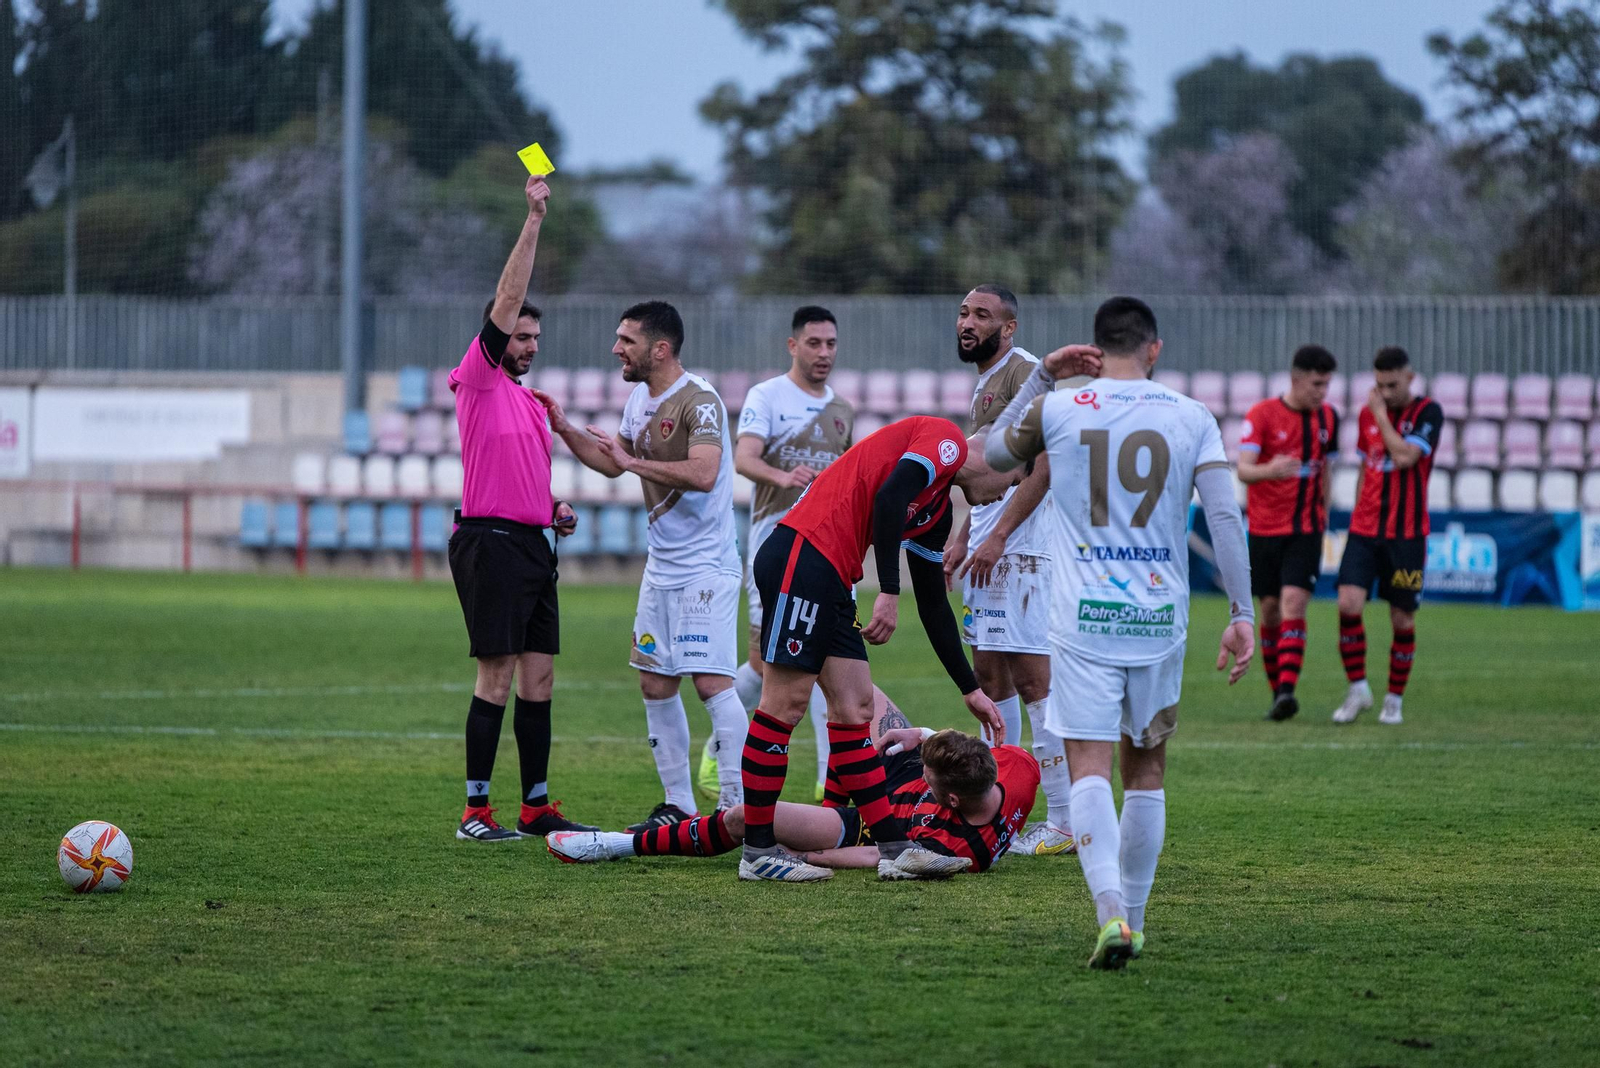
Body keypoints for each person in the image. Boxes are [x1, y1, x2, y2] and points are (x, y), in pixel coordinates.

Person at [985, 296, 1255, 969]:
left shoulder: (1061, 408)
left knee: (1088, 769)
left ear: (1095, 351)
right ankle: (1134, 916)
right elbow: (1224, 520)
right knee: (1148, 772)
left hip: (1082, 621)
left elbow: (993, 452)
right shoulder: (1192, 417)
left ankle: (1108, 912)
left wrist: (1045, 373)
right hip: (1158, 621)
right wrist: (1243, 614)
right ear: (1155, 348)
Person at [735, 399, 1086, 883]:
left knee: (856, 708)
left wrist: (970, 688)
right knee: (785, 704)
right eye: (1008, 485)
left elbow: (934, 602)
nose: (994, 499)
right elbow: (889, 496)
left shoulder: (937, 509)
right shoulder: (944, 441)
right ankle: (757, 853)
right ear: (1003, 462)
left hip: (833, 573)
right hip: (804, 552)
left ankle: (895, 850)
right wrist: (887, 593)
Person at [532, 301, 749, 832]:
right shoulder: (639, 398)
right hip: (662, 569)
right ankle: (678, 804)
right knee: (655, 685)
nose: (616, 348)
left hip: (705, 569)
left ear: (660, 348)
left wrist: (632, 463)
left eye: (626, 340)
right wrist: (564, 428)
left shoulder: (700, 402)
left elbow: (703, 472)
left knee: (711, 685)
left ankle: (737, 807)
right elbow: (613, 462)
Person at [446, 173, 594, 842]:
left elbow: (526, 481)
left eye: (536, 338)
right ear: (497, 336)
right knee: (498, 675)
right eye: (520, 335)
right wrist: (533, 218)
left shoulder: (534, 405)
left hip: (534, 543)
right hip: (490, 544)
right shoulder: (477, 379)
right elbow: (508, 294)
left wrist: (553, 510)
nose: (529, 346)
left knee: (540, 678)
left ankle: (535, 806)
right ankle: (477, 812)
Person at [547, 688, 1039, 876]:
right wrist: (925, 737)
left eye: (935, 775)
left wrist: (802, 855)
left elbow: (874, 855)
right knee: (855, 690)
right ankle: (834, 788)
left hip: (872, 825)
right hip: (904, 781)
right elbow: (981, 754)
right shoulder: (1014, 769)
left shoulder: (959, 850)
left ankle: (612, 844)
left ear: (950, 800)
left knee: (745, 818)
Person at [941, 284, 1073, 858]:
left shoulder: (1025, 376)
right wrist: (965, 529)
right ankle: (1005, 808)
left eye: (982, 315)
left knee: (1034, 683)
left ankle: (1065, 822)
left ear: (1010, 327)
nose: (968, 322)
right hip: (995, 545)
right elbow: (992, 479)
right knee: (989, 678)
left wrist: (995, 535)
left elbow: (1042, 470)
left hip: (1025, 549)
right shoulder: (986, 384)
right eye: (965, 313)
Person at [714, 305, 854, 804]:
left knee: (826, 663)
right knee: (762, 659)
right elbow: (744, 458)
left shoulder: (842, 410)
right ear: (793, 346)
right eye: (814, 343)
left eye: (831, 344)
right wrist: (784, 477)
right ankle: (718, 744)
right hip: (777, 544)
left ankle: (824, 779)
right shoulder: (767, 396)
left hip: (828, 550)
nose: (824, 353)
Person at [1331, 346, 1444, 726]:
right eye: (1379, 384)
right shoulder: (1367, 415)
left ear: (1410, 378)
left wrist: (1380, 416)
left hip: (1407, 536)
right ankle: (1358, 688)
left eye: (1392, 384)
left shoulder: (1428, 413)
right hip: (1365, 530)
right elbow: (1368, 464)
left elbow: (1406, 457)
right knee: (1347, 604)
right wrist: (1357, 509)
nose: (1385, 392)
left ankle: (1394, 699)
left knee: (1402, 621)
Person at [1237, 344, 1340, 722]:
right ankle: (1276, 692)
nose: (1322, 392)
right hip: (1264, 530)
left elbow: (1327, 470)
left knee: (1293, 604)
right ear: (1297, 379)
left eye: (1327, 385)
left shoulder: (1329, 418)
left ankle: (1286, 691)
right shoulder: (1262, 414)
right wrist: (1272, 469)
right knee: (1269, 612)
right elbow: (1244, 470)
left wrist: (1324, 514)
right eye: (1316, 384)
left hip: (1306, 530)